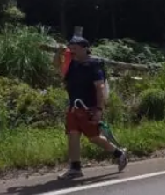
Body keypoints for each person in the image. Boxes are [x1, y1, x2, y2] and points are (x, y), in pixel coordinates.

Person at [54, 35, 128, 180]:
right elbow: (57, 66)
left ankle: (119, 153)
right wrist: (58, 53)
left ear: (85, 49)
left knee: (94, 138)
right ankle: (75, 168)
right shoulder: (72, 64)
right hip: (73, 107)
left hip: (89, 108)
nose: (72, 51)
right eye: (71, 48)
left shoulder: (93, 66)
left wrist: (99, 110)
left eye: (75, 48)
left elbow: (99, 88)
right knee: (72, 135)